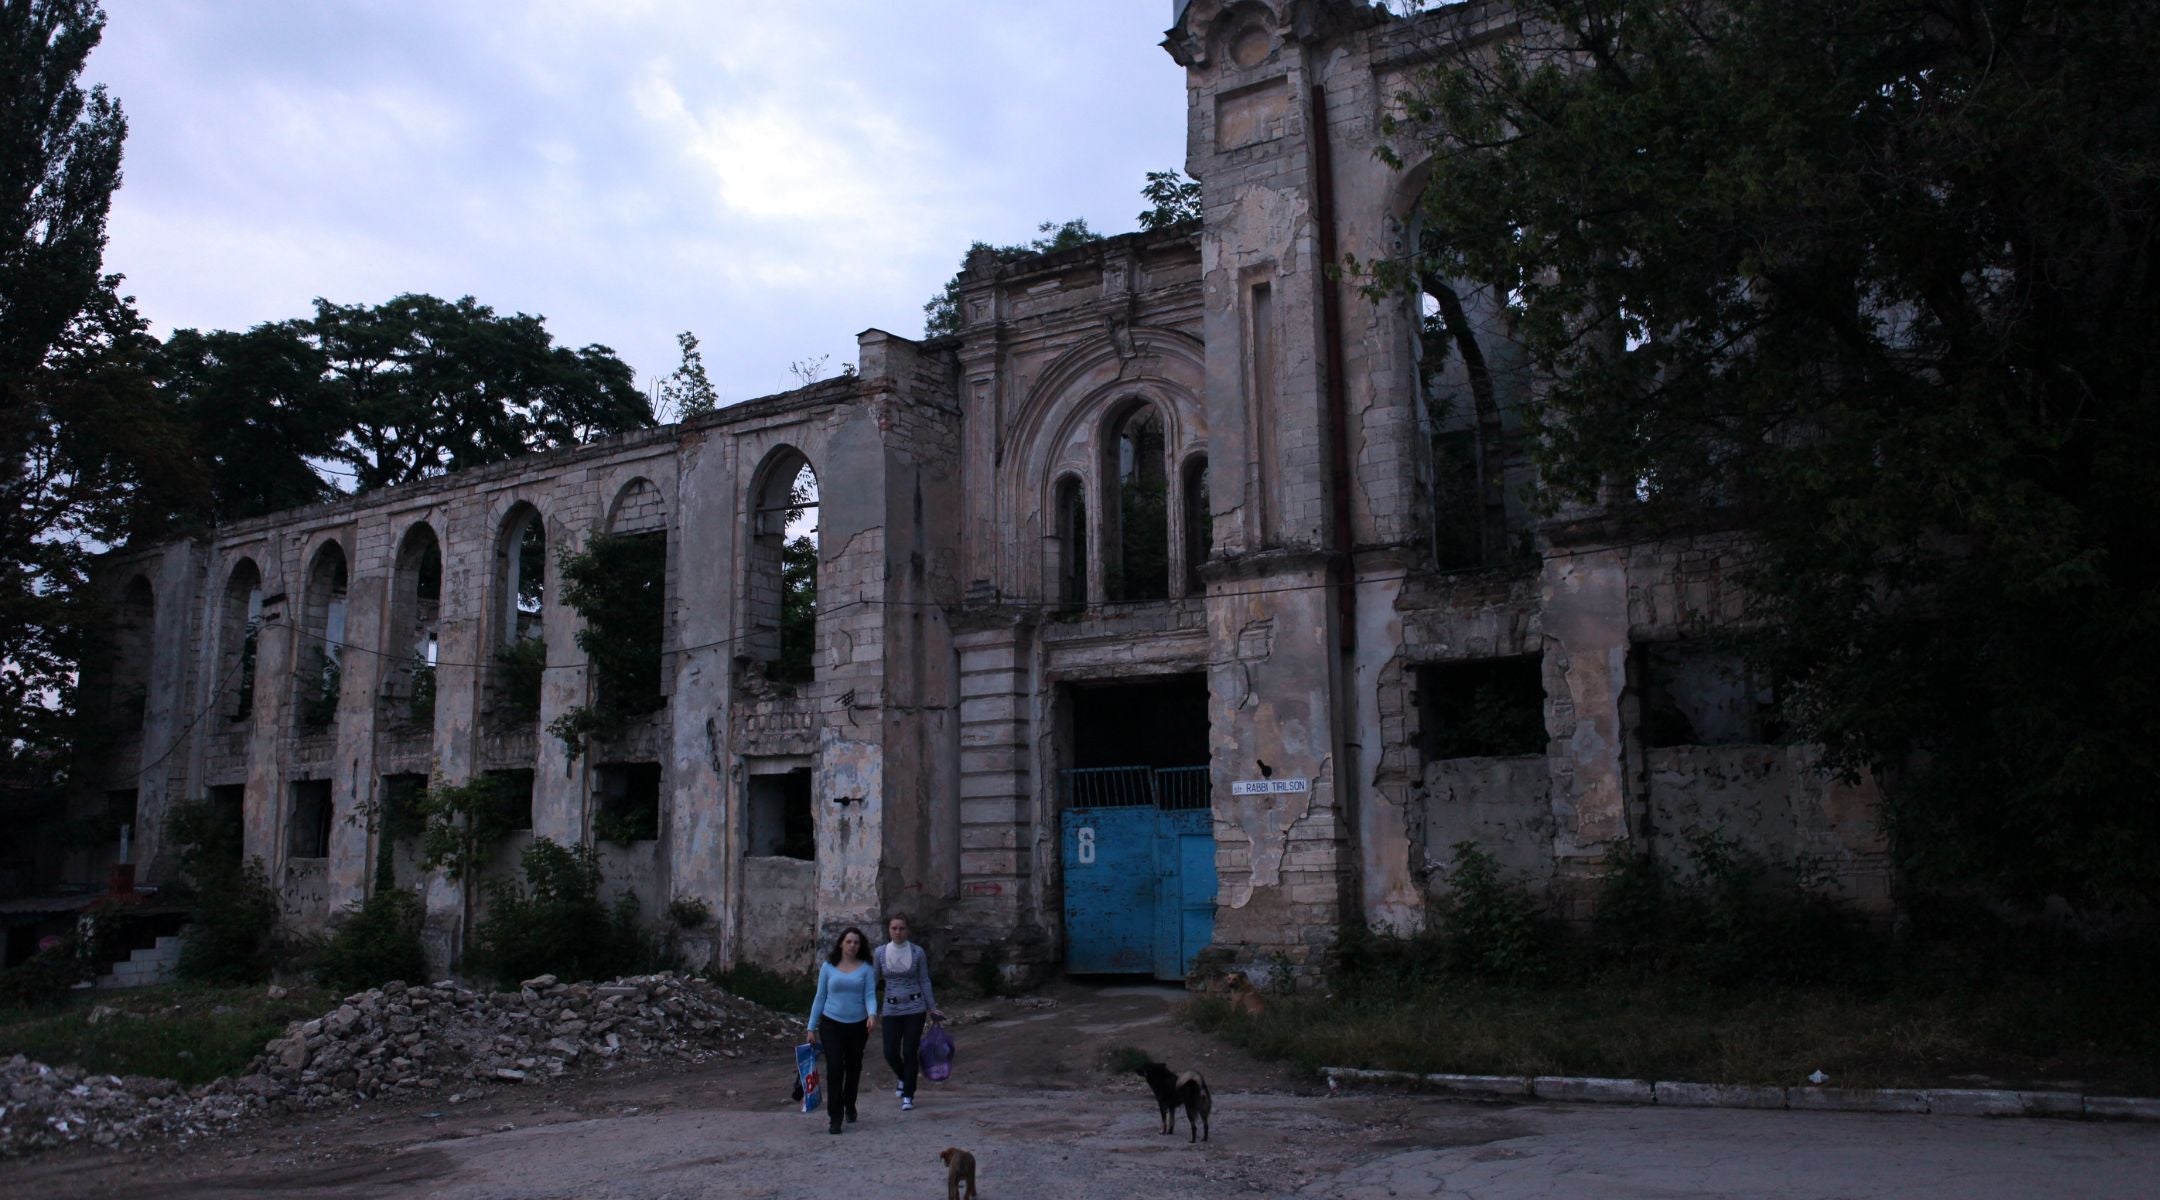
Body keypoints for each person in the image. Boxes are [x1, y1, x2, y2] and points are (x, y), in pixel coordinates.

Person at [806, 926, 878, 1134]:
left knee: (853, 1066)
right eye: (849, 942)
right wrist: (811, 1027)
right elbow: (820, 997)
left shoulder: (866, 968)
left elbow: (870, 995)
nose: (852, 946)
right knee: (835, 1067)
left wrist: (872, 1014)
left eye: (856, 942)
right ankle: (834, 1117)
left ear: (860, 945)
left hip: (858, 1024)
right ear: (841, 944)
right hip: (831, 1023)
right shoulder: (828, 967)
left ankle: (850, 1103)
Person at [875, 912, 943, 1111]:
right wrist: (869, 1009)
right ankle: (903, 1076)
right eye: (894, 928)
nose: (898, 932)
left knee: (909, 1051)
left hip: (915, 1007)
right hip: (891, 1007)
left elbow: (924, 980)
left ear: (908, 930)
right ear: (889, 930)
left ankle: (908, 1095)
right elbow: (872, 981)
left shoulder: (917, 952)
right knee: (890, 1052)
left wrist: (932, 1007)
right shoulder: (880, 953)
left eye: (901, 928)